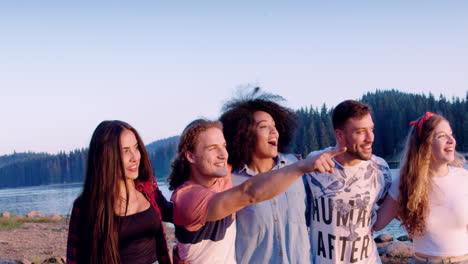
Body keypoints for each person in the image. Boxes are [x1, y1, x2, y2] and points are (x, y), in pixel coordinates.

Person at [168, 119, 345, 264]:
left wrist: (288, 160)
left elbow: (249, 154)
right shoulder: (187, 198)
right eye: (213, 149)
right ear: (190, 156)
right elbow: (249, 193)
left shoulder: (222, 175)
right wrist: (300, 167)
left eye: (224, 146)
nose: (223, 154)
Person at [219, 89, 311, 263]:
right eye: (263, 126)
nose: (274, 132)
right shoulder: (231, 181)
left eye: (274, 126)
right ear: (244, 134)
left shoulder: (297, 166)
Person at [66, 120, 172, 264]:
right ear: (106, 156)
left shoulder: (147, 188)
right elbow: (75, 259)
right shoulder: (86, 205)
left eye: (136, 148)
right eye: (125, 151)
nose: (135, 157)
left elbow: (175, 214)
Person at [304, 100, 392, 263]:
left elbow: (393, 208)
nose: (370, 138)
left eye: (371, 129)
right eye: (360, 131)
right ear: (340, 135)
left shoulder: (379, 168)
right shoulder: (313, 165)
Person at [373, 112, 468, 264]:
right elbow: (377, 224)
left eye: (451, 134)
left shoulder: (464, 178)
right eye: (441, 136)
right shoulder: (405, 183)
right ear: (425, 145)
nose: (451, 141)